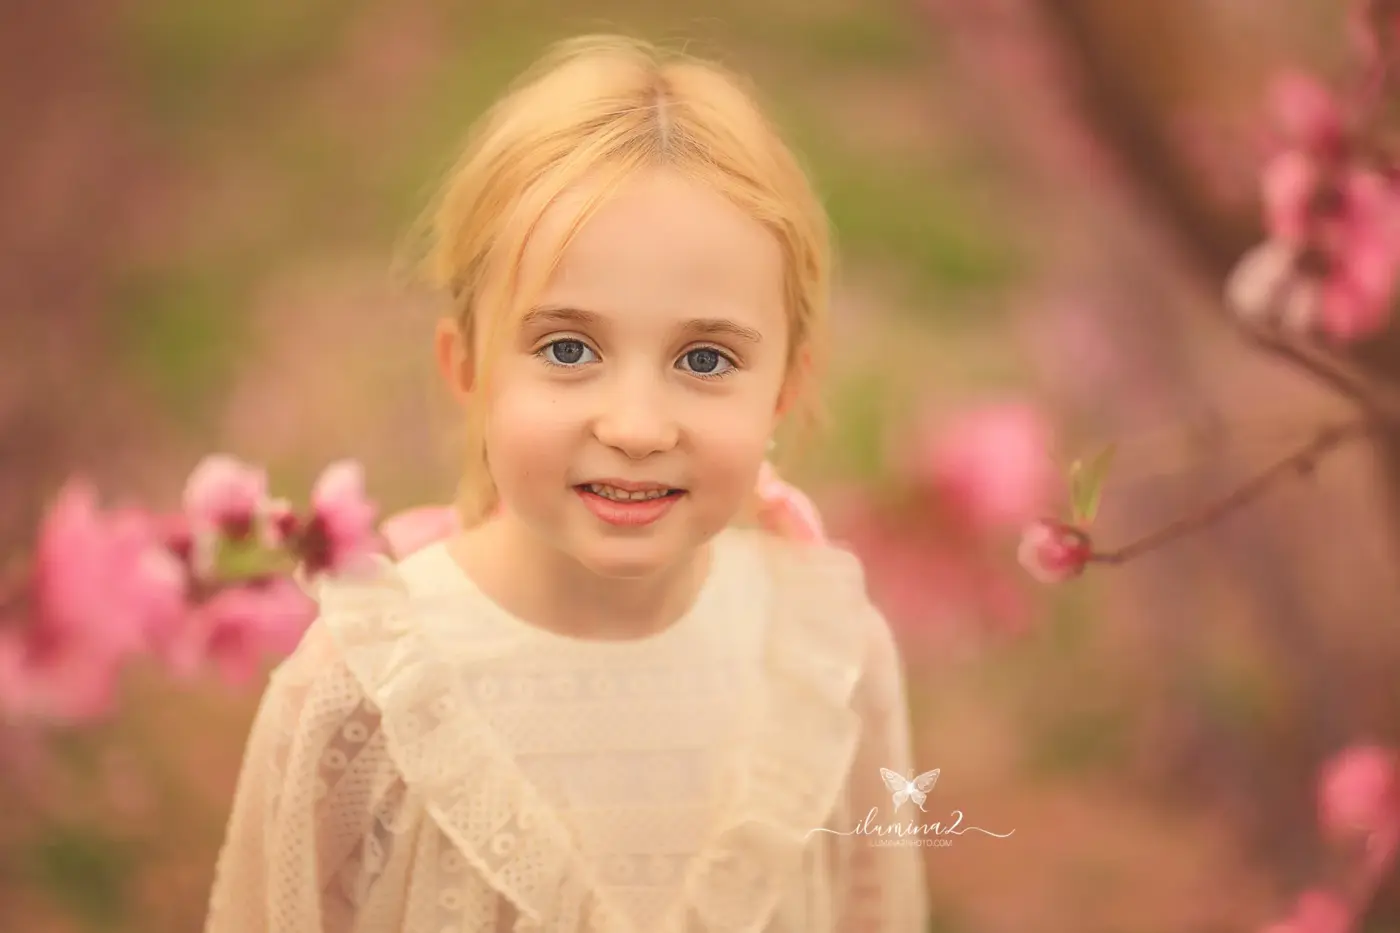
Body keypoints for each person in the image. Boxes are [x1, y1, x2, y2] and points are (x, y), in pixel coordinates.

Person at [204, 34, 928, 933]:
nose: (634, 426)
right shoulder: (363, 690)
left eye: (705, 358)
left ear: (787, 384)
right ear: (466, 365)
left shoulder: (832, 659)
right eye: (567, 348)